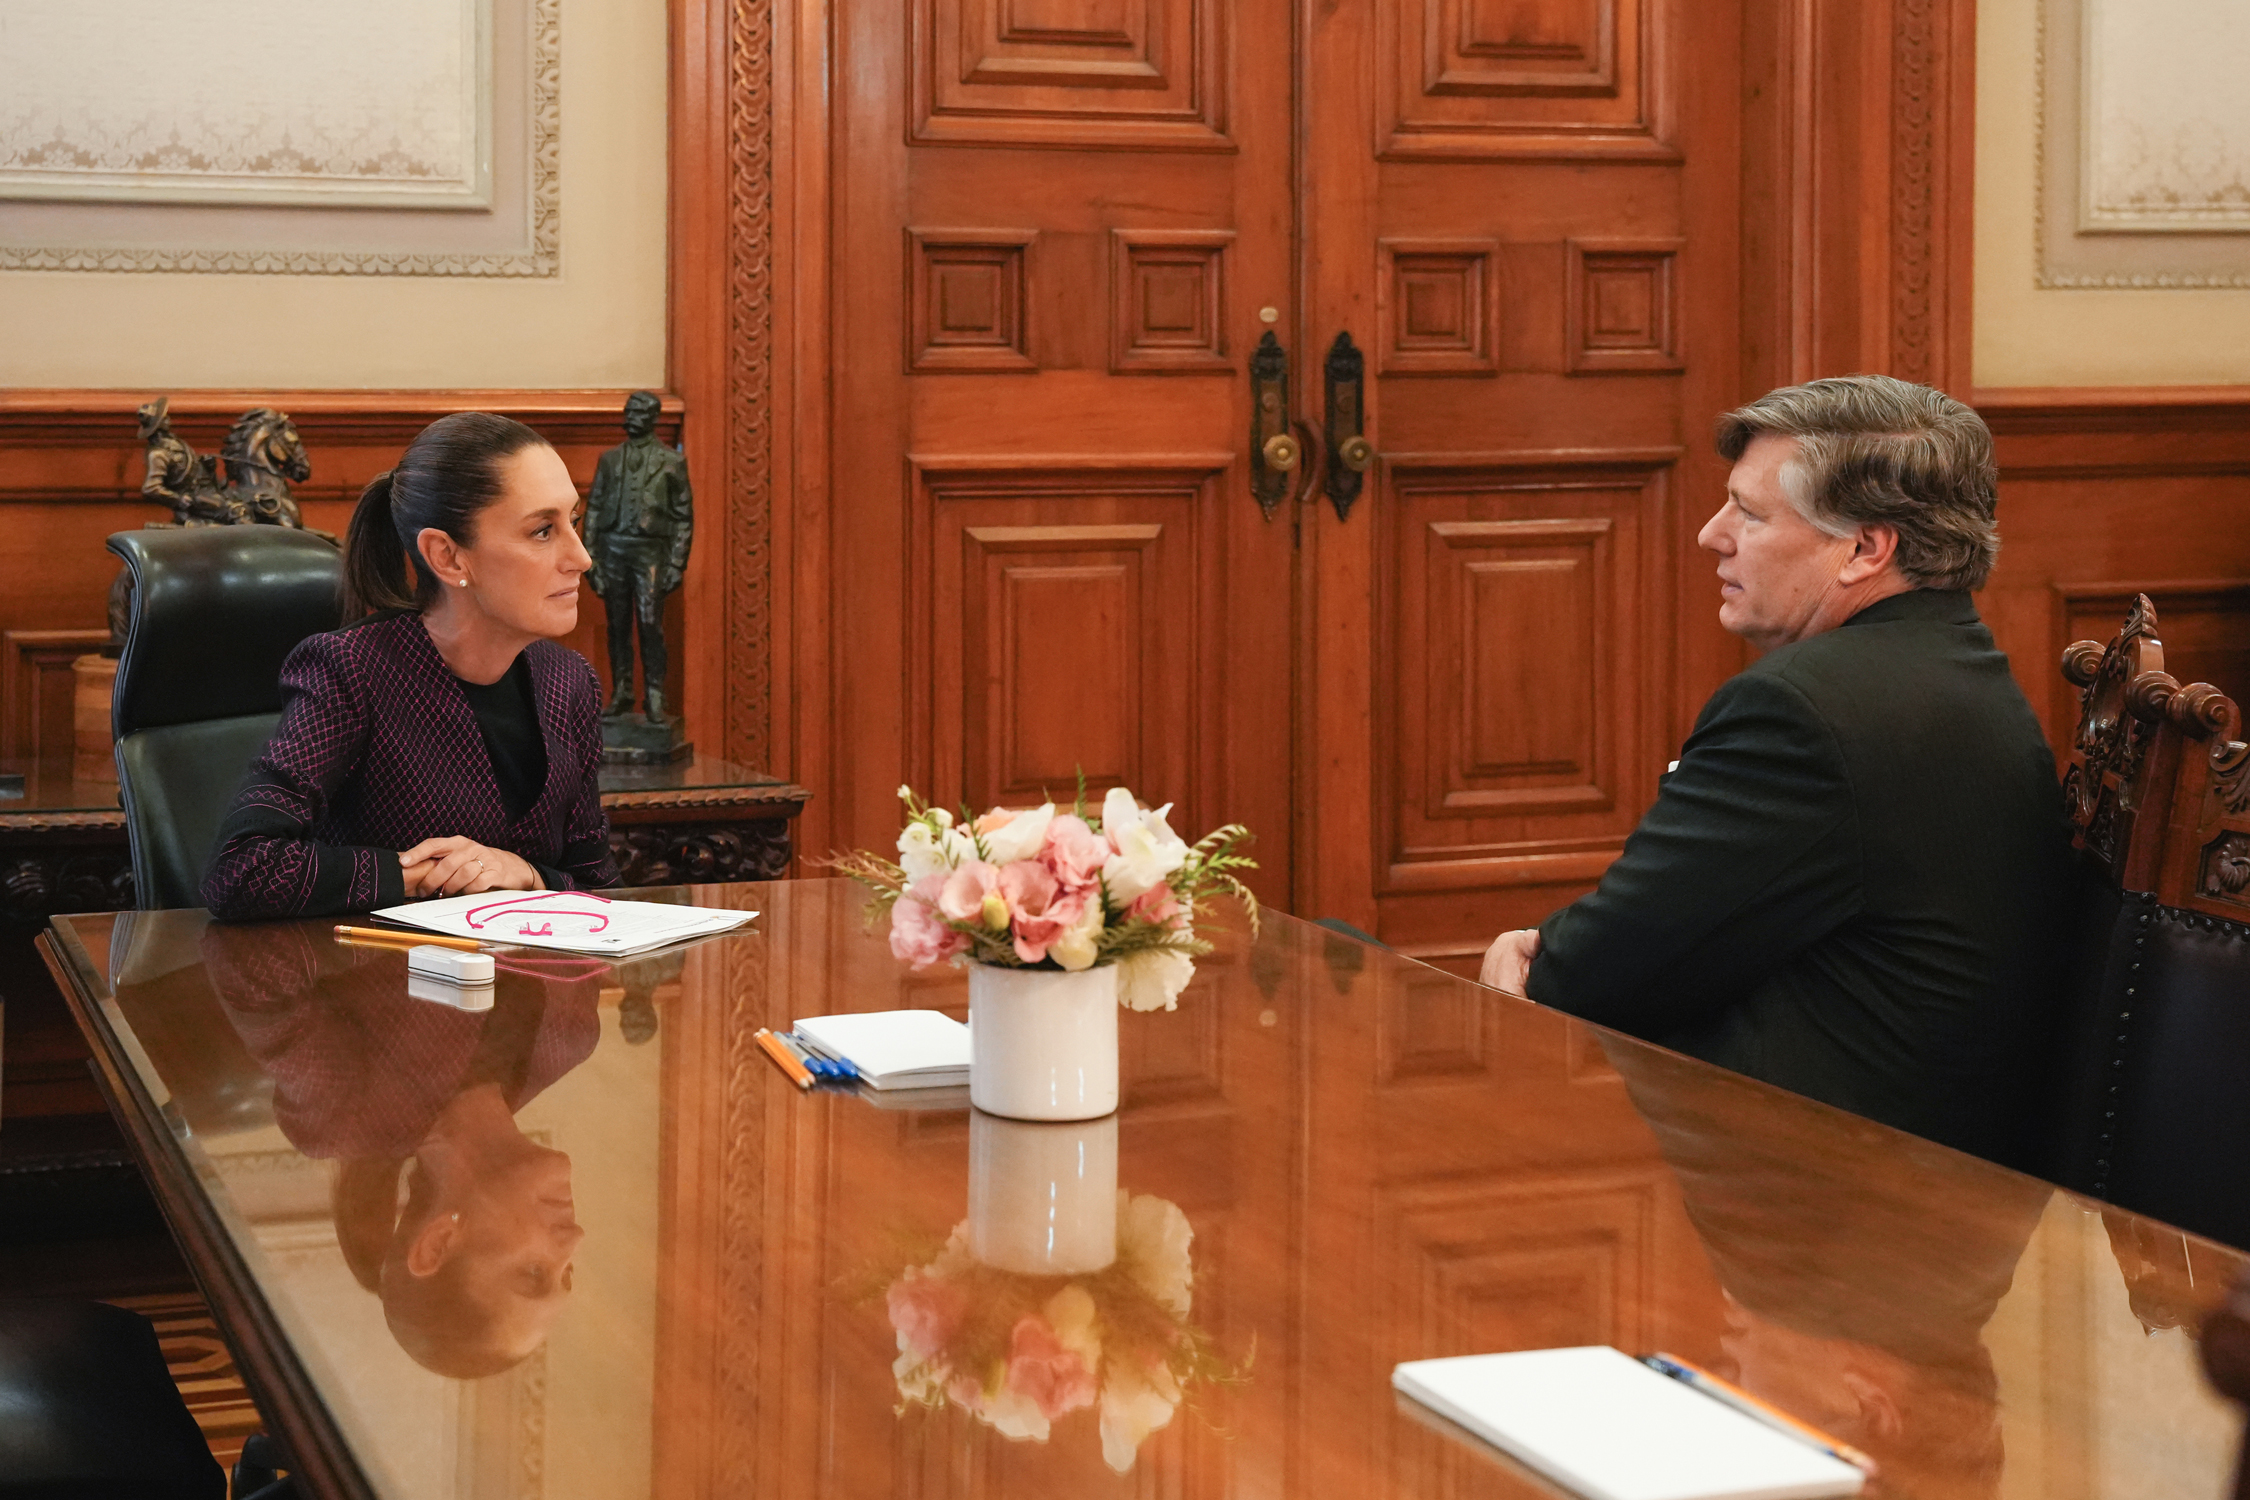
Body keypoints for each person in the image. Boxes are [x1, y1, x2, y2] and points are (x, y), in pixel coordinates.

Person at [1480, 375, 2076, 1169]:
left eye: (1750, 514)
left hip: (1813, 1189)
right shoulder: (1953, 669)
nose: (1711, 534)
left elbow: (1591, 978)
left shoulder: (1803, 713)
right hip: (1913, 1170)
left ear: (1865, 549)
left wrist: (1522, 960)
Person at [202, 412, 618, 919]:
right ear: (447, 557)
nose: (582, 557)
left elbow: (602, 891)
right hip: (371, 965)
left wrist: (526, 875)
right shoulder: (351, 671)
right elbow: (242, 869)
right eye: (542, 531)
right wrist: (424, 875)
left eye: (573, 522)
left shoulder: (569, 681)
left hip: (526, 967)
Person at [197, 919, 600, 1378]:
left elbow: (246, 959)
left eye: (533, 1273)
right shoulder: (569, 1038)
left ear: (437, 1242)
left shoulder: (347, 1113)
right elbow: (584, 904)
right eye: (567, 1273)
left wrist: (437, 921)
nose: (574, 1240)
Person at [583, 390, 692, 721]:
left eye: (639, 413)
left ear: (654, 418)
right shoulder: (610, 460)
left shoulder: (672, 462)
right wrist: (591, 559)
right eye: (628, 412)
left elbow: (683, 517)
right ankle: (622, 691)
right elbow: (594, 508)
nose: (630, 418)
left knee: (649, 623)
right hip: (613, 549)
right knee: (617, 625)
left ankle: (655, 694)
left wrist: (676, 563)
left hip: (651, 553)